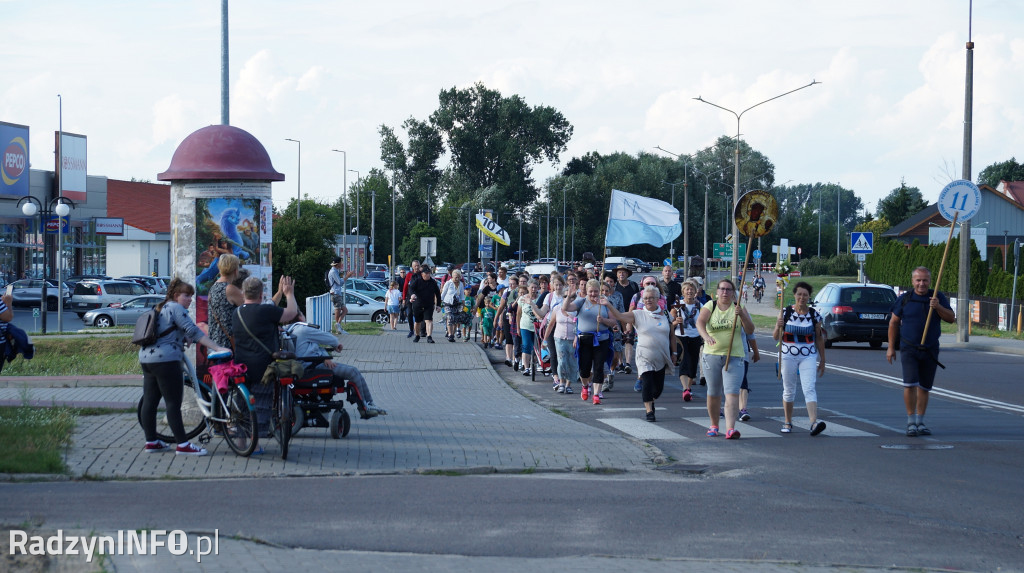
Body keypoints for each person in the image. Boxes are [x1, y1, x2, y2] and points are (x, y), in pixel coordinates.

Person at [139, 278, 230, 456]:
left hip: (147, 359)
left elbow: (166, 332)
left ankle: (151, 442)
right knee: (173, 403)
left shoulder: (160, 308)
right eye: (186, 296)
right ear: (175, 296)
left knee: (150, 401)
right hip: (167, 361)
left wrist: (182, 337)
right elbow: (194, 331)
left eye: (191, 296)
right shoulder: (176, 308)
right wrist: (217, 347)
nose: (190, 299)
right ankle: (183, 445)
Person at [887, 266, 955, 437]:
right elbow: (893, 323)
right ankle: (911, 422)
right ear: (912, 281)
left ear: (930, 281)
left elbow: (951, 318)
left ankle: (920, 422)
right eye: (918, 280)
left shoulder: (937, 297)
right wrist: (890, 347)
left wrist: (937, 307)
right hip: (909, 348)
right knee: (910, 384)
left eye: (925, 280)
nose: (921, 284)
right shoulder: (905, 299)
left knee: (924, 387)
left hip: (930, 349)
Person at [233, 275, 299, 442]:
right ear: (261, 294)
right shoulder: (266, 311)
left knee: (243, 404)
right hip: (263, 366)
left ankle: (242, 443)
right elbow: (292, 312)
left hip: (241, 366)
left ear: (243, 293)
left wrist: (279, 293)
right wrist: (289, 294)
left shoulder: (237, 312)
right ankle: (255, 444)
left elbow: (266, 307)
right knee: (261, 404)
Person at [601, 285, 677, 422]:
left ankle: (651, 401)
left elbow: (672, 336)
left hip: (661, 356)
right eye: (645, 298)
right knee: (647, 382)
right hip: (644, 356)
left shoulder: (666, 314)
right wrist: (608, 304)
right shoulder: (637, 314)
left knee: (658, 389)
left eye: (651, 298)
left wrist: (675, 353)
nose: (648, 300)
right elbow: (619, 316)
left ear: (657, 299)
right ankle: (649, 411)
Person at [287, 320, 386, 418]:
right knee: (353, 372)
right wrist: (336, 344)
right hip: (312, 367)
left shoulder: (291, 330)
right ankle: (366, 406)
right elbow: (329, 338)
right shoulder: (303, 329)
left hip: (309, 364)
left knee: (354, 371)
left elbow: (315, 348)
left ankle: (369, 404)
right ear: (299, 317)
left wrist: (324, 356)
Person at [696, 278, 755, 439]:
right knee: (714, 392)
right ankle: (714, 425)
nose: (725, 292)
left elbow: (750, 330)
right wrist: (706, 336)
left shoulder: (739, 307)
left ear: (733, 292)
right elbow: (700, 323)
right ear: (717, 292)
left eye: (728, 289)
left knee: (732, 392)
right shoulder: (711, 306)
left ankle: (730, 428)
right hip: (712, 355)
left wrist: (742, 315)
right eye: (722, 289)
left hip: (735, 356)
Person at [772, 281, 827, 435]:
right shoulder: (785, 312)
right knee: (789, 389)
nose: (802, 297)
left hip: (808, 355)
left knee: (809, 387)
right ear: (794, 295)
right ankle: (787, 421)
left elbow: (819, 338)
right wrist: (778, 325)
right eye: (799, 294)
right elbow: (776, 337)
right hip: (787, 355)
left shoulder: (814, 315)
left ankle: (814, 423)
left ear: (809, 297)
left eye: (805, 295)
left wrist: (823, 359)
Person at [562, 279, 617, 405]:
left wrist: (603, 320)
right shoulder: (581, 301)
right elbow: (566, 308)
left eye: (596, 291)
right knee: (584, 368)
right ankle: (585, 386)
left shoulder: (604, 303)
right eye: (591, 291)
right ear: (587, 291)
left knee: (598, 367)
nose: (593, 294)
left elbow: (613, 322)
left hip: (601, 340)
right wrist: (569, 297)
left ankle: (596, 394)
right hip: (585, 340)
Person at [672, 279, 703, 402]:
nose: (689, 291)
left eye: (692, 289)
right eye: (687, 289)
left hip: (695, 336)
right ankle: (685, 389)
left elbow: (704, 322)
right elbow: (669, 323)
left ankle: (688, 388)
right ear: (683, 292)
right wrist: (676, 322)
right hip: (681, 336)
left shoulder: (700, 306)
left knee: (693, 364)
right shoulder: (677, 305)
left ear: (695, 292)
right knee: (684, 362)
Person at [545, 285, 578, 395]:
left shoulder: (577, 310)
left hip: (573, 338)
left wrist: (577, 337)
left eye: (571, 297)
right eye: (566, 296)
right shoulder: (557, 309)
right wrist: (545, 339)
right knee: (562, 361)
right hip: (559, 338)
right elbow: (550, 325)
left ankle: (568, 385)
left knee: (571, 362)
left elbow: (580, 325)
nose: (568, 299)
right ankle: (561, 383)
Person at [207, 254, 244, 349]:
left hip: (214, 343)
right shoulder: (230, 289)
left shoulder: (213, 287)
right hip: (227, 345)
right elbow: (250, 309)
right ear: (235, 270)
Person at [613, 266, 639, 375]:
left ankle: (628, 363)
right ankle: (621, 363)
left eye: (623, 272)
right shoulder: (614, 286)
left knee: (629, 339)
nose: (621, 274)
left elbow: (638, 299)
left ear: (627, 274)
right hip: (617, 316)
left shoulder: (633, 285)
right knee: (618, 340)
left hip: (630, 316)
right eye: (619, 272)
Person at [408, 265, 442, 343]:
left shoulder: (433, 282)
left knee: (429, 320)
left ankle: (429, 336)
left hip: (429, 304)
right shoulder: (418, 281)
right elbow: (411, 288)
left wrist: (438, 305)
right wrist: (412, 294)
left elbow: (438, 294)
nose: (428, 275)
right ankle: (417, 335)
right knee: (418, 322)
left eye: (429, 273)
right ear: (422, 274)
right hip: (418, 304)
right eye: (426, 273)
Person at [516, 280, 541, 376]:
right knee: (526, 346)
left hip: (537, 326)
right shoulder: (522, 299)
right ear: (528, 288)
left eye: (535, 287)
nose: (533, 289)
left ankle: (537, 364)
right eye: (532, 287)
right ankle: (526, 367)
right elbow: (518, 314)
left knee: (537, 347)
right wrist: (518, 328)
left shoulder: (540, 298)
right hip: (525, 326)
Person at [327, 257, 356, 334]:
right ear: (338, 264)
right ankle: (338, 328)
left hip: (337, 293)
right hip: (335, 293)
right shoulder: (333, 271)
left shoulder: (335, 271)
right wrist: (347, 276)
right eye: (340, 263)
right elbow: (340, 282)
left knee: (345, 310)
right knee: (338, 310)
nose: (341, 264)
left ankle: (338, 325)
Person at [441, 269, 468, 342]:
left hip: (457, 303)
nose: (457, 278)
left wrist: (463, 304)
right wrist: (440, 303)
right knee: (450, 317)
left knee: (456, 319)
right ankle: (450, 334)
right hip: (448, 303)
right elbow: (443, 293)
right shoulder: (448, 283)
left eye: (459, 277)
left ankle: (452, 334)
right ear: (452, 276)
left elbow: (462, 295)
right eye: (456, 277)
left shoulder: (461, 284)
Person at [402, 260, 422, 338]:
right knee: (410, 313)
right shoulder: (409, 275)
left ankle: (420, 330)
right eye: (415, 266)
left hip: (419, 297)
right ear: (412, 267)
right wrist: (404, 299)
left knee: (419, 314)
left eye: (418, 265)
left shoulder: (422, 274)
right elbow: (405, 287)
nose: (417, 267)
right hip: (409, 297)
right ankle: (411, 330)